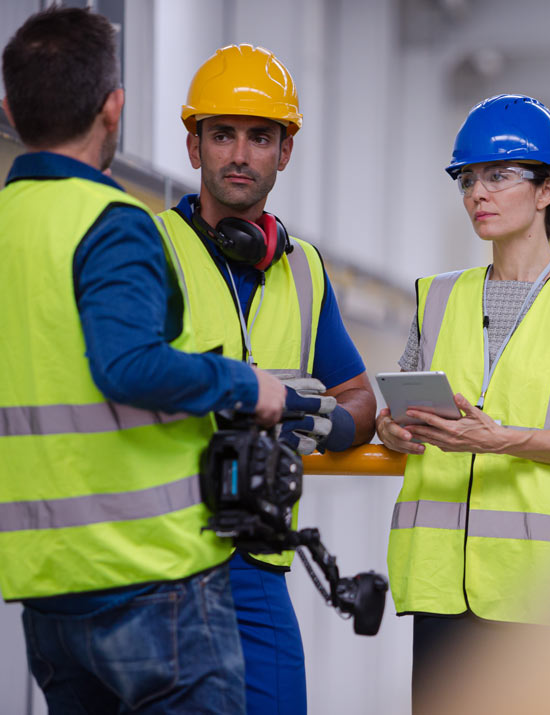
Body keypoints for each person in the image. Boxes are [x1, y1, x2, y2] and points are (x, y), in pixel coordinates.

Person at [0, 8, 287, 713]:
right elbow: (127, 366)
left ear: (9, 111)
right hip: (150, 578)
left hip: (47, 583)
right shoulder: (112, 221)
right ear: (112, 107)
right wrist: (244, 381)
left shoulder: (9, 225)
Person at [376, 94, 550, 700]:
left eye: (499, 176)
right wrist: (394, 430)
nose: (477, 193)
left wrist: (503, 439)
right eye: (468, 179)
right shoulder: (436, 296)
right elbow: (401, 413)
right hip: (443, 584)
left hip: (545, 591)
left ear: (547, 190)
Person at [158, 44, 376, 714]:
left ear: (285, 152)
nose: (240, 155)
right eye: (221, 134)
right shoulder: (149, 247)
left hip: (259, 560)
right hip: (162, 559)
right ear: (194, 148)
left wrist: (326, 423)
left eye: (261, 137)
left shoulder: (304, 269)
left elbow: (360, 394)